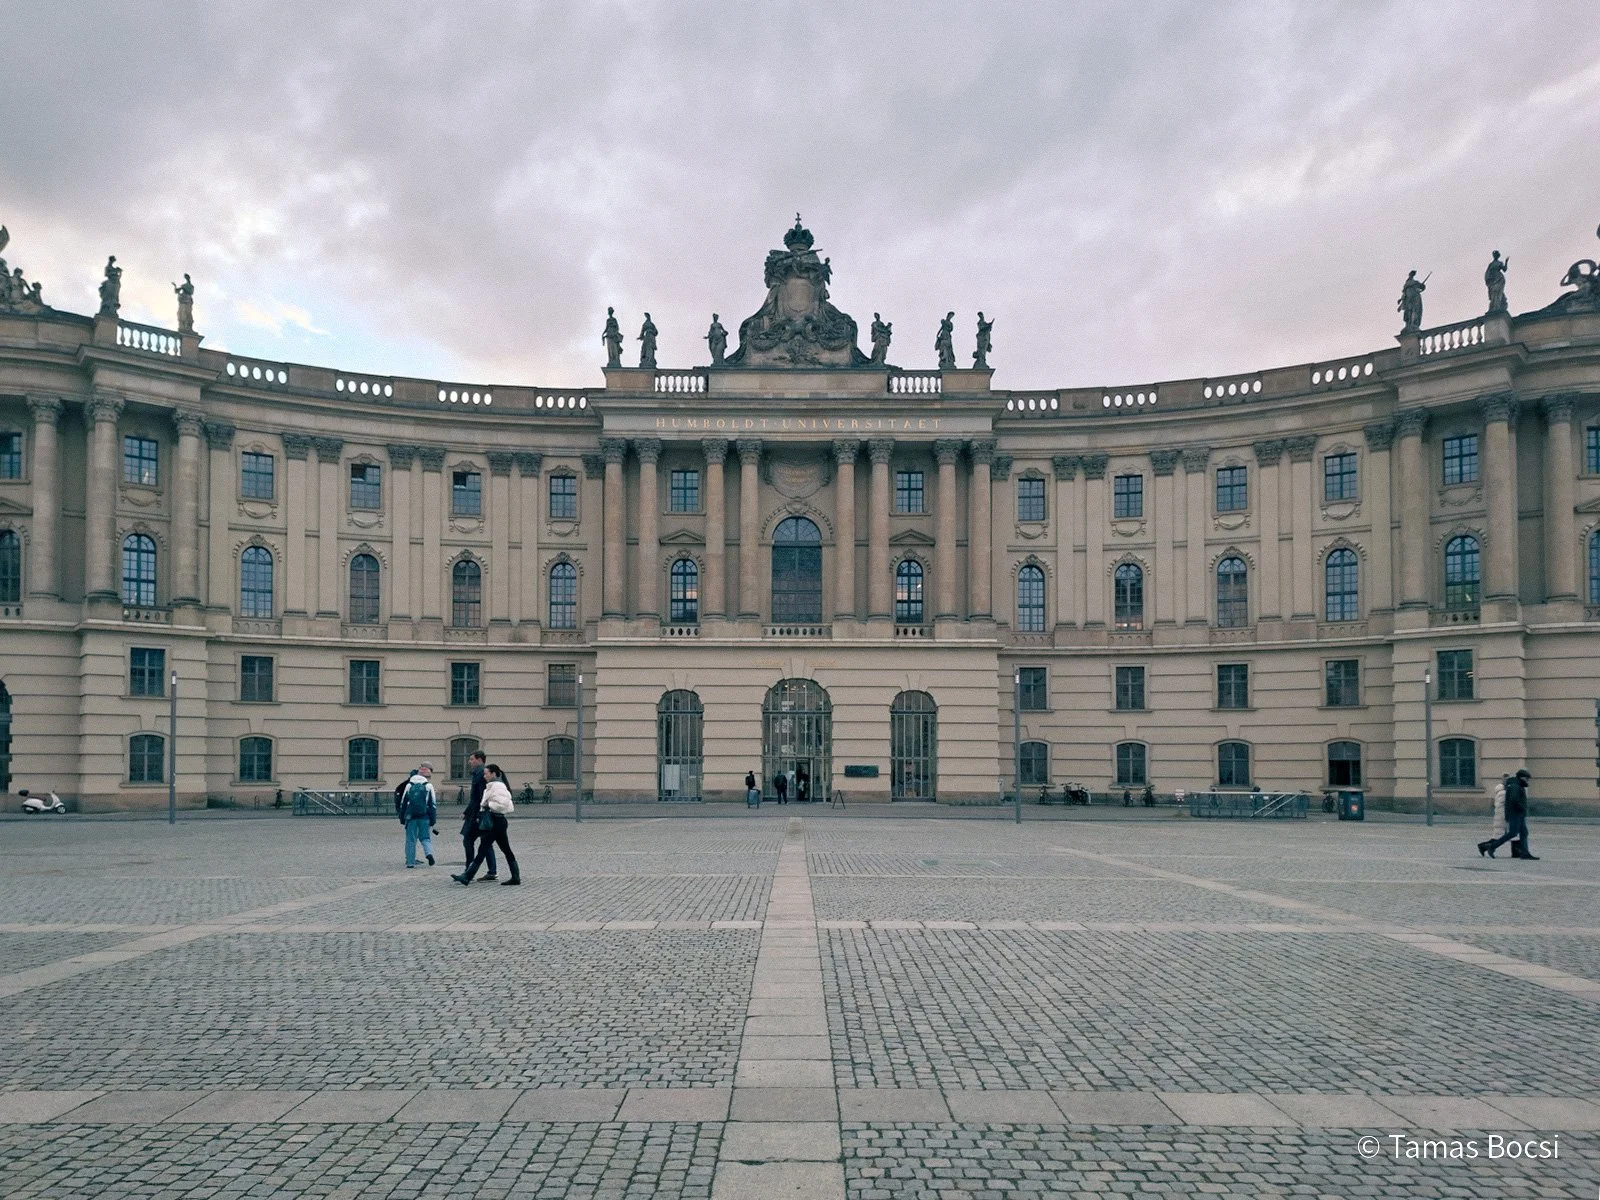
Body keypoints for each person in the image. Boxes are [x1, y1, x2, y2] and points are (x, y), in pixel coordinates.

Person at [453, 764, 521, 885]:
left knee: (484, 849)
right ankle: (515, 877)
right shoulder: (492, 786)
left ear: (493, 773)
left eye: (486, 773)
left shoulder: (498, 786)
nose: (484, 776)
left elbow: (504, 804)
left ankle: (467, 876)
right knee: (504, 849)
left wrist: (488, 805)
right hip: (496, 821)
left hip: (496, 821)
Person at [1480, 769, 1537, 860]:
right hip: (1515, 814)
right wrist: (1521, 807)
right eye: (1527, 778)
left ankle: (1525, 853)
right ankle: (1492, 846)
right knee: (1513, 833)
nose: (1527, 780)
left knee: (1524, 833)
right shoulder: (1515, 786)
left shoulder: (1517, 785)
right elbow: (1513, 800)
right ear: (1522, 777)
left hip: (1518, 814)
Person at [461, 750, 497, 881]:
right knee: (486, 842)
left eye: (471, 759)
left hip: (478, 814)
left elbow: (478, 797)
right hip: (481, 812)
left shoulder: (480, 774)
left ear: (480, 760)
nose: (469, 762)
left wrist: (470, 812)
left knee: (468, 840)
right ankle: (492, 872)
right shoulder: (481, 773)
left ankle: (468, 870)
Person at [397, 763, 438, 868]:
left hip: (411, 817)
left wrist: (402, 818)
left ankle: (410, 862)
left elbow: (403, 803)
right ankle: (428, 854)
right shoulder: (428, 786)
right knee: (425, 838)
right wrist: (433, 820)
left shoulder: (409, 785)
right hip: (424, 816)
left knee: (411, 839)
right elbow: (432, 804)